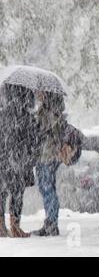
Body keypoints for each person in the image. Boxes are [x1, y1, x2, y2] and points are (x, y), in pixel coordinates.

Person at [32, 91, 83, 236]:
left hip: (48, 155)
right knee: (47, 188)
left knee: (47, 189)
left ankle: (51, 224)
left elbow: (52, 133)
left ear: (47, 95)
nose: (38, 94)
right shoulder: (49, 109)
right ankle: (50, 222)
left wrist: (41, 130)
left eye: (41, 93)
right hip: (47, 155)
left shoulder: (50, 111)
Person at [0, 84, 42, 238]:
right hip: (20, 161)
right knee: (16, 193)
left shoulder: (3, 114)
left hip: (3, 160)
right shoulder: (27, 117)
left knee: (2, 192)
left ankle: (1, 227)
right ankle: (15, 226)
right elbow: (34, 141)